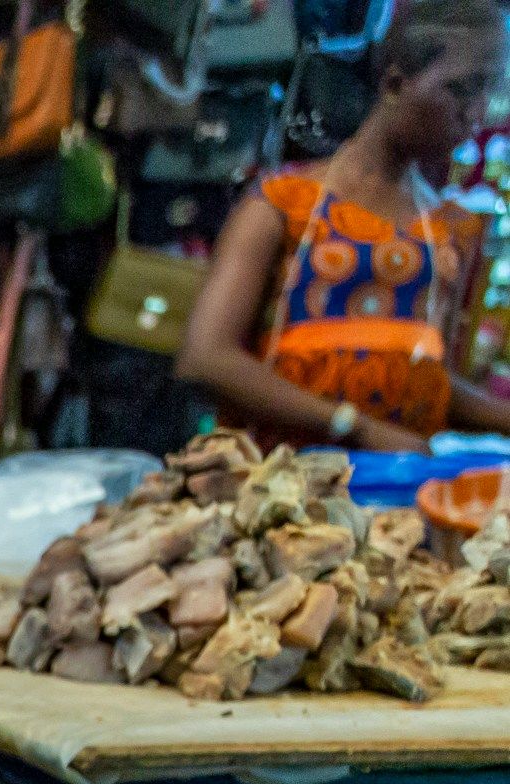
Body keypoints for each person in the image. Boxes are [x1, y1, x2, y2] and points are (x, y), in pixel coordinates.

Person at [176, 0, 510, 452]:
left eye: (484, 93)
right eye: (459, 90)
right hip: (279, 485)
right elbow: (204, 358)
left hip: (399, 496)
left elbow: (423, 373)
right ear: (394, 84)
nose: (474, 114)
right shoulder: (283, 202)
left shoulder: (446, 228)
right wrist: (356, 426)